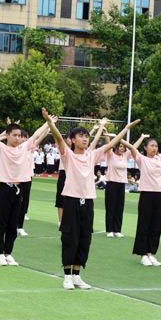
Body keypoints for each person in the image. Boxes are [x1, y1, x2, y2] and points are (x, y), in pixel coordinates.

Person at [40, 108, 137, 289]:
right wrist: (49, 122)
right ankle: (67, 276)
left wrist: (126, 129)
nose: (85, 139)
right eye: (81, 136)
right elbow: (59, 139)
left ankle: (77, 275)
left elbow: (111, 144)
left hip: (88, 202)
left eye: (86, 136)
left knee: (85, 238)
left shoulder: (92, 155)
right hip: (71, 201)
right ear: (73, 140)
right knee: (70, 237)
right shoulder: (67, 155)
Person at [0, 114, 50, 266]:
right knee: (2, 223)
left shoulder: (24, 147)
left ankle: (9, 253)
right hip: (4, 189)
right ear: (7, 136)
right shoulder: (2, 148)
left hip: (18, 189)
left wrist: (48, 123)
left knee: (13, 224)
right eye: (14, 136)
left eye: (19, 136)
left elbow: (37, 134)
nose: (18, 138)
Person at [123, 131, 161, 267]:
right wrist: (122, 139)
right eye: (151, 146)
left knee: (156, 226)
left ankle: (151, 253)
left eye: (156, 146)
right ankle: (143, 254)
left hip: (160, 194)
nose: (154, 148)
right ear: (145, 148)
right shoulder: (142, 159)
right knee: (144, 225)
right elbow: (132, 148)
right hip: (147, 195)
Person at [103, 136, 130, 238]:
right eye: (120, 146)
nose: (122, 148)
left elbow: (133, 147)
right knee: (110, 207)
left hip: (121, 184)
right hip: (111, 184)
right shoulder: (111, 155)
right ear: (116, 147)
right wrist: (109, 137)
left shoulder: (125, 156)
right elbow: (109, 145)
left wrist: (141, 137)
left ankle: (117, 230)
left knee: (119, 207)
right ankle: (109, 230)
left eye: (124, 147)